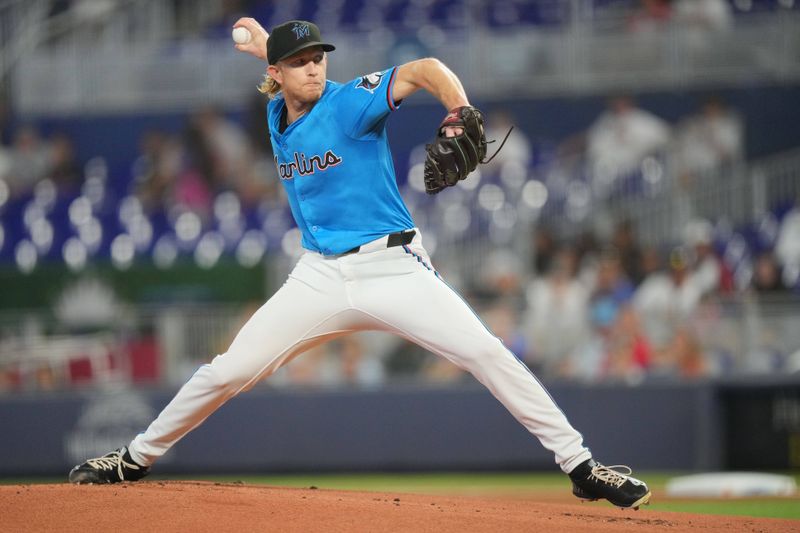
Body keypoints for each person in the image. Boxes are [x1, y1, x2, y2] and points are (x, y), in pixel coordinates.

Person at [67, 18, 650, 509]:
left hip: (392, 266)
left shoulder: (349, 102)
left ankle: (582, 467)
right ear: (276, 73)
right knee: (225, 371)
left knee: (486, 352)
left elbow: (424, 67)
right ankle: (135, 458)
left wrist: (458, 108)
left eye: (318, 57)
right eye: (300, 61)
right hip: (318, 274)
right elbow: (281, 82)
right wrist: (264, 43)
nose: (315, 67)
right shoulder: (276, 115)